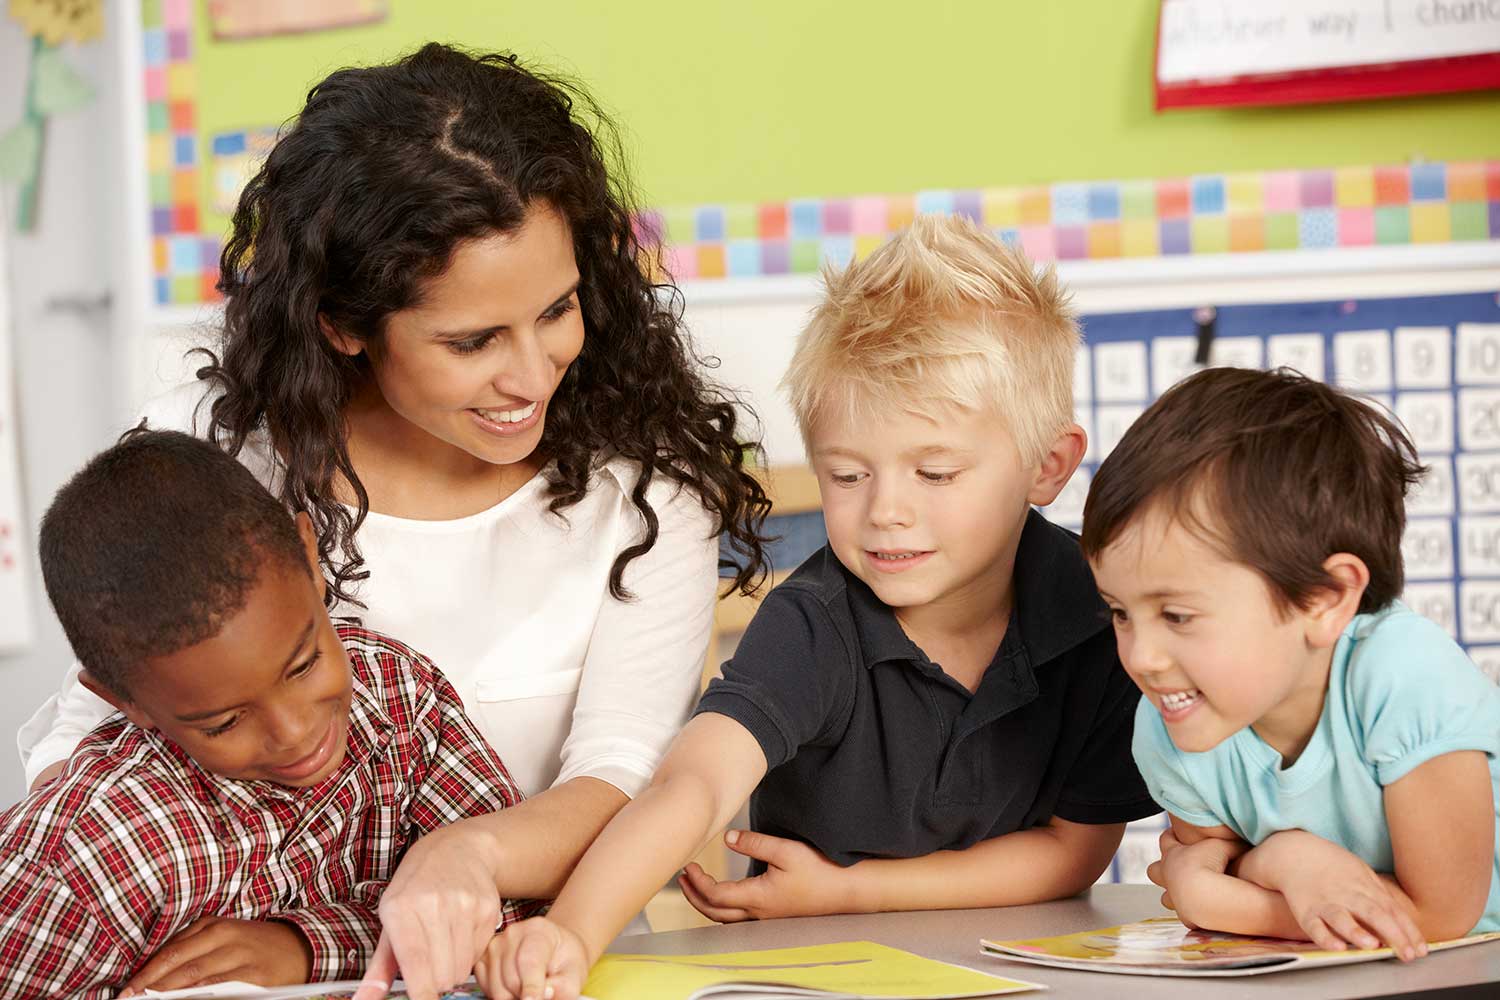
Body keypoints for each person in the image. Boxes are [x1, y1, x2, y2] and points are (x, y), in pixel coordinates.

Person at [16, 42, 770, 997]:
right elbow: (90, 756)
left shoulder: (646, 499)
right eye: (472, 341)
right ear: (343, 323)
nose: (533, 375)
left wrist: (467, 855)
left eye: (558, 309)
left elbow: (625, 782)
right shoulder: (225, 462)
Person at [466, 214, 1158, 1000]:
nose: (886, 511)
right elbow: (690, 785)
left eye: (935, 474)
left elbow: (1073, 854)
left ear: (1048, 467)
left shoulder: (1104, 617)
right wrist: (570, 931)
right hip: (819, 974)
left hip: (1021, 970)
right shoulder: (816, 624)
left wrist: (847, 886)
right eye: (848, 475)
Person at [0, 431, 538, 1000]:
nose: (295, 732)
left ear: (311, 560)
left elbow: (517, 910)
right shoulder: (90, 858)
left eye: (303, 666)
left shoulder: (405, 700)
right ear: (127, 704)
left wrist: (307, 947)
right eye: (225, 722)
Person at [1081, 367, 1500, 961]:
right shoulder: (1168, 723)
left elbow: (1442, 918)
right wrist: (1276, 869)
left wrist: (1254, 874)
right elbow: (1212, 874)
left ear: (1323, 600)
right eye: (1120, 613)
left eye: (1176, 616)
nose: (1142, 659)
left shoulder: (1405, 676)